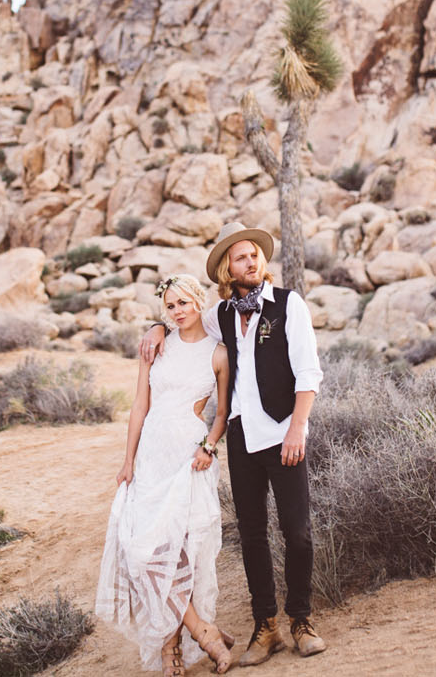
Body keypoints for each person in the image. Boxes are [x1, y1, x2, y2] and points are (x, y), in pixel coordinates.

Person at [140, 222, 327, 666]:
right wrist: (155, 326)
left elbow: (308, 370)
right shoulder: (221, 314)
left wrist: (298, 426)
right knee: (251, 534)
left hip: (284, 433)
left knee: (297, 532)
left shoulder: (287, 304)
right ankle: (266, 628)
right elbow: (179, 315)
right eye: (242, 257)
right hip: (242, 438)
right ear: (228, 267)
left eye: (256, 255)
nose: (252, 261)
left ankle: (301, 620)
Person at [96, 273, 236, 676]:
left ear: (198, 302)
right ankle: (204, 633)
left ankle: (171, 649)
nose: (177, 312)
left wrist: (209, 447)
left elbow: (222, 413)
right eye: (170, 306)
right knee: (143, 552)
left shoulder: (219, 353)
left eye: (184, 303)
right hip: (151, 457)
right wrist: (128, 460)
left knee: (181, 551)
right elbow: (140, 405)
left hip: (188, 456)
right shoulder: (155, 347)